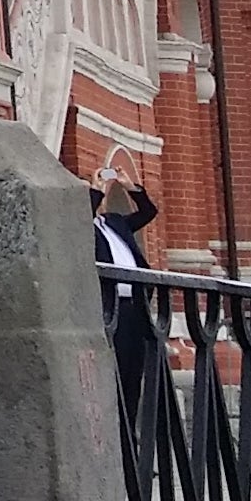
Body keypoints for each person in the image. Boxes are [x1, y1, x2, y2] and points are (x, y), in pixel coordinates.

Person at [93, 172, 160, 419]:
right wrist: (96, 190)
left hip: (134, 305)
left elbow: (148, 213)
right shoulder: (80, 226)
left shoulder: (114, 222)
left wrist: (130, 187)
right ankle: (118, 429)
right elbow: (80, 218)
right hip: (110, 309)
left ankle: (130, 432)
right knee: (116, 371)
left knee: (134, 370)